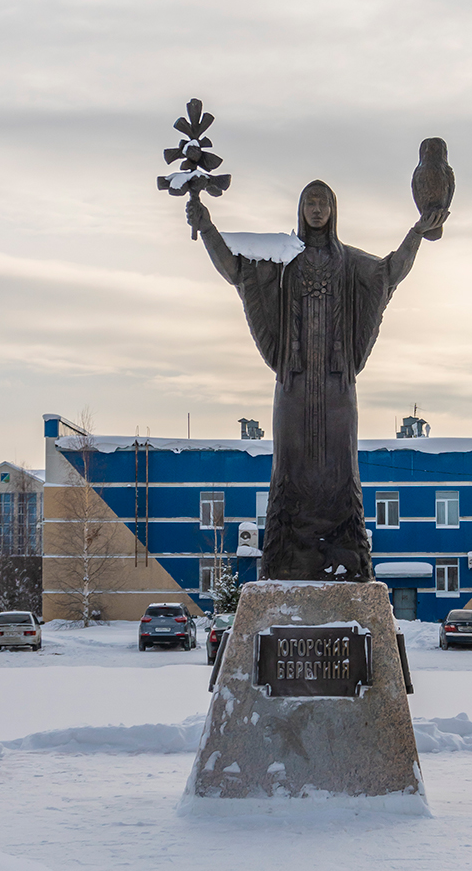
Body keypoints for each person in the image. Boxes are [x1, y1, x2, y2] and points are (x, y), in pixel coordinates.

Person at [187, 181, 444, 581]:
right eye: (311, 201)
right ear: (300, 209)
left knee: (342, 468)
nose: (318, 208)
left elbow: (390, 272)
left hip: (337, 386)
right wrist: (206, 228)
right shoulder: (284, 259)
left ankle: (346, 556)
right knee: (289, 467)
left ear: (334, 210)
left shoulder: (351, 262)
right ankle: (286, 559)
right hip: (293, 384)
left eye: (324, 201)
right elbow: (238, 271)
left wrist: (417, 233)